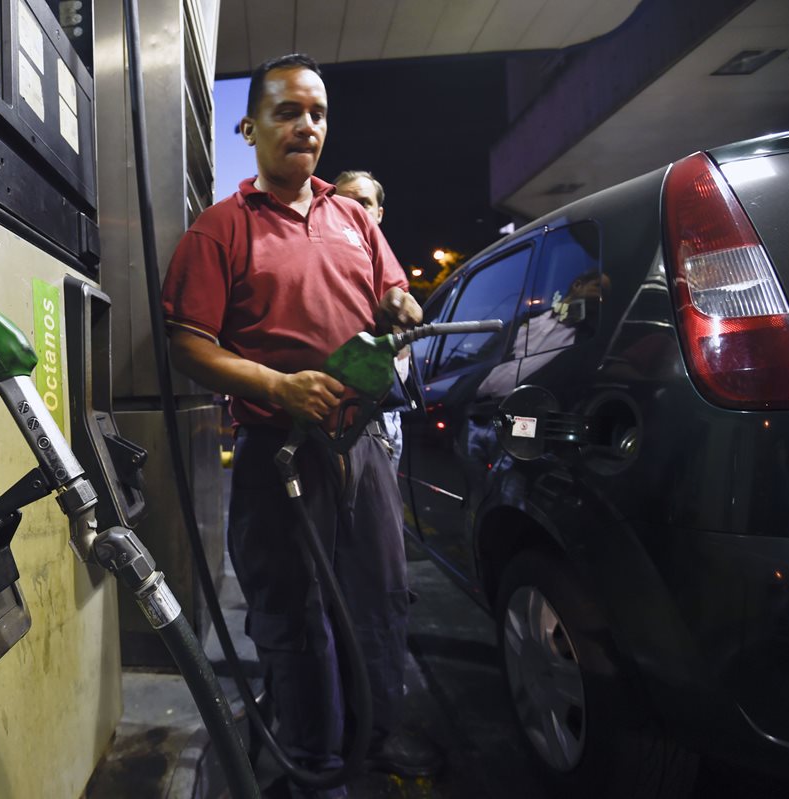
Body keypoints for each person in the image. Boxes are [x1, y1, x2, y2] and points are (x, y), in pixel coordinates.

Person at [160, 54, 443, 797]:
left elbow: (393, 291)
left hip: (362, 445)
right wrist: (277, 385)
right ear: (250, 128)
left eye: (317, 113)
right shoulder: (220, 230)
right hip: (279, 452)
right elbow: (188, 343)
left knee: (379, 595)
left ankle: (372, 738)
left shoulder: (352, 218)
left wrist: (401, 305)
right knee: (295, 611)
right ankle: (313, 764)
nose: (306, 126)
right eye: (287, 112)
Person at [332, 170, 412, 474]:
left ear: (379, 213)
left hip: (384, 413)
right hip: (335, 413)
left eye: (364, 203)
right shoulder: (323, 260)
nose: (354, 211)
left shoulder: (386, 265)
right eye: (344, 203)